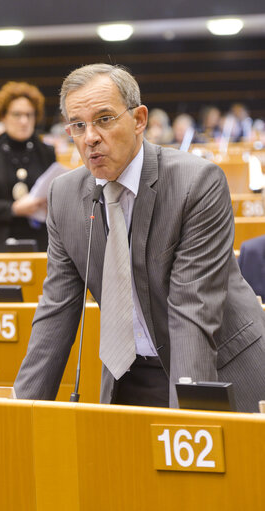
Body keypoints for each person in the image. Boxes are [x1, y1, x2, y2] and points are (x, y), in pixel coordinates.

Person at [14, 63, 265, 413]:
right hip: (129, 376)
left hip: (215, 368)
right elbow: (56, 311)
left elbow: (191, 313)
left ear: (138, 119)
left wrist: (188, 425)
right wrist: (19, 412)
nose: (90, 137)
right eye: (78, 125)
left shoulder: (196, 183)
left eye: (104, 119)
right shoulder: (65, 195)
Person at [0, 81, 56, 252]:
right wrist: (12, 209)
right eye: (17, 114)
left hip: (40, 242)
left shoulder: (46, 152)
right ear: (3, 116)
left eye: (30, 115)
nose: (24, 121)